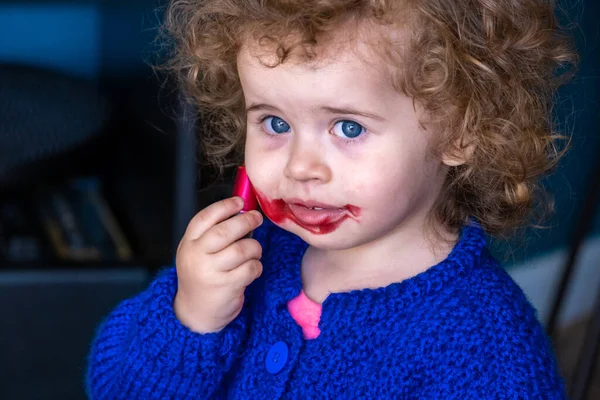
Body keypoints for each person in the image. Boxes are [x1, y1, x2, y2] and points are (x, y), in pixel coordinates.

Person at [86, 0, 578, 398]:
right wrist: (190, 317)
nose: (300, 167)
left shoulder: (483, 350)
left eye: (348, 127)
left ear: (461, 132)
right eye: (275, 123)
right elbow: (111, 387)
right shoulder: (242, 259)